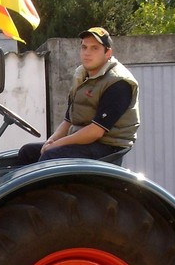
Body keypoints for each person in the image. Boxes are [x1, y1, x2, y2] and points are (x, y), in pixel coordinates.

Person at [17, 26, 139, 166]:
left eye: (94, 48)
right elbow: (69, 119)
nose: (87, 53)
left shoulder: (118, 83)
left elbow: (95, 132)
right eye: (84, 47)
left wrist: (56, 145)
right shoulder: (81, 75)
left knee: (51, 155)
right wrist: (52, 140)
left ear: (107, 53)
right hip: (85, 142)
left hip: (107, 147)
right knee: (27, 152)